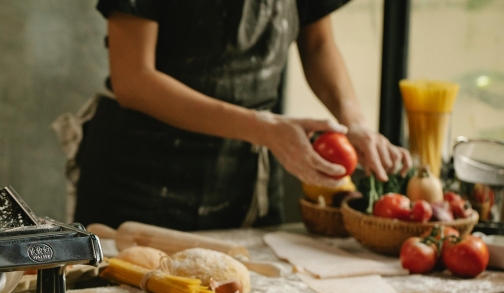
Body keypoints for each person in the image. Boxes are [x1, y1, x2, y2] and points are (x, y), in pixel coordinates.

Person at [66, 0, 411, 232]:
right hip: (141, 178)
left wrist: (354, 124)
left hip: (245, 174)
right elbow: (133, 80)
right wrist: (265, 129)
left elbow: (318, 44)